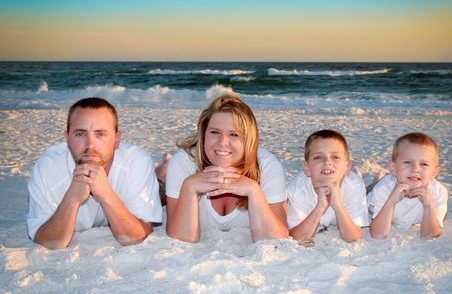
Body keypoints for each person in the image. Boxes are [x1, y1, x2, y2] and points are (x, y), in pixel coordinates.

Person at [27, 97, 162, 249]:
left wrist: (106, 195)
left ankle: (162, 172)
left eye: (100, 134)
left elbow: (137, 237)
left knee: (162, 190)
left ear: (117, 139)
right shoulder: (48, 166)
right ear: (67, 138)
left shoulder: (136, 160)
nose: (90, 145)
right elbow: (47, 241)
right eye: (80, 134)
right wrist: (72, 199)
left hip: (151, 186)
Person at [165, 94, 289, 243]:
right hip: (176, 169)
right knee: (161, 181)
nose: (223, 142)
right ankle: (164, 167)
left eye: (234, 134)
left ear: (249, 140)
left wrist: (254, 191)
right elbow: (182, 238)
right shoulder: (183, 162)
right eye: (214, 132)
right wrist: (189, 187)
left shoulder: (268, 166)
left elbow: (275, 238)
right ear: (203, 135)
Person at [287, 129, 369, 243]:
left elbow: (353, 237)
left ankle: (372, 181)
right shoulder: (296, 188)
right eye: (318, 157)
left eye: (335, 157)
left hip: (355, 183)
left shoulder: (354, 186)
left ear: (347, 166)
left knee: (369, 192)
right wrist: (320, 207)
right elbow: (296, 237)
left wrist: (337, 205)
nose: (327, 162)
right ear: (307, 168)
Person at [368, 132, 448, 239]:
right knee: (370, 190)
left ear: (434, 173)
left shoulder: (438, 192)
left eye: (424, 164)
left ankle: (379, 178)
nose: (415, 169)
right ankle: (376, 181)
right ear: (393, 168)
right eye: (407, 162)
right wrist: (391, 202)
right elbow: (378, 234)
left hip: (394, 180)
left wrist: (428, 206)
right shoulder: (383, 189)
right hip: (375, 191)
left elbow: (430, 235)